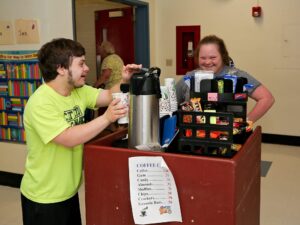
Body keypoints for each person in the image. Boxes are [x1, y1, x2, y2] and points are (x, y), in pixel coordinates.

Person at [20, 38, 141, 225]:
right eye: (81, 64)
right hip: (43, 197)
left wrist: (125, 79)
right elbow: (67, 137)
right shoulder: (40, 102)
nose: (87, 69)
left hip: (68, 191)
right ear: (61, 68)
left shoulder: (79, 91)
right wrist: (106, 118)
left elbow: (109, 95)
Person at [176, 35, 275, 123]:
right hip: (193, 136)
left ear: (223, 56)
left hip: (228, 138)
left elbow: (267, 98)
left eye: (213, 57)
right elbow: (170, 104)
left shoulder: (236, 76)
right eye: (203, 58)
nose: (207, 62)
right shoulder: (188, 78)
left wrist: (245, 123)